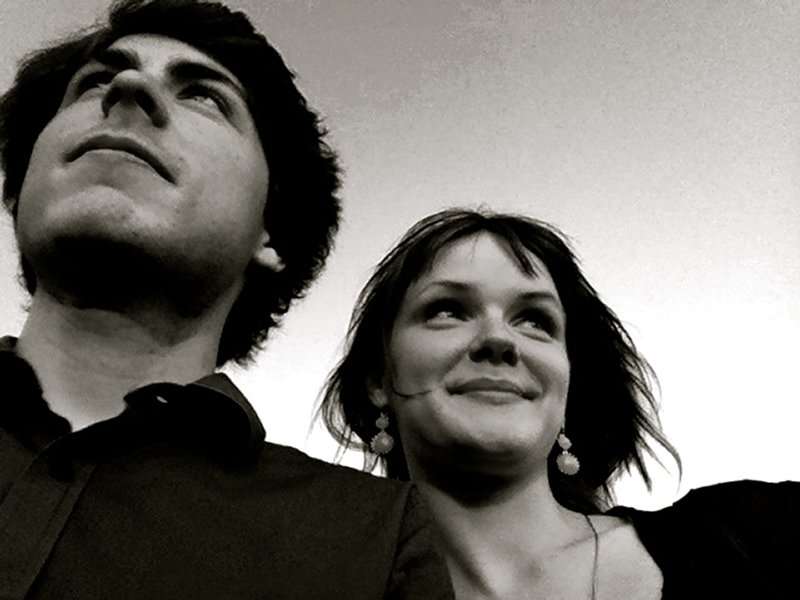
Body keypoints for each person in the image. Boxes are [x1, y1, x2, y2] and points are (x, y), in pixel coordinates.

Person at [0, 1, 453, 598]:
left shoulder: (372, 541)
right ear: (21, 185)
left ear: (271, 232)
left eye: (204, 96)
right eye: (93, 83)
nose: (129, 87)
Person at [320, 208, 799, 599]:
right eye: (447, 310)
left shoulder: (759, 533)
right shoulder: (306, 582)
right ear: (377, 379)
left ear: (568, 384)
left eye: (535, 320)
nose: (498, 339)